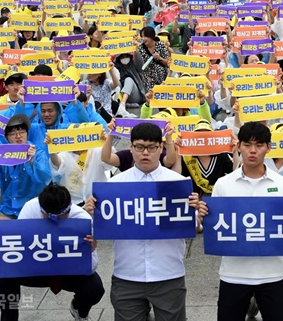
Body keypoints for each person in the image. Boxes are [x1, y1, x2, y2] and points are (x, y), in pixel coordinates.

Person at [84, 123, 204, 321]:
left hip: (168, 273)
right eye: (139, 147)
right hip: (127, 273)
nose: (145, 153)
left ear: (161, 148)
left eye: (151, 147)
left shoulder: (177, 183)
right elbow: (100, 231)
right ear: (131, 148)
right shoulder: (114, 186)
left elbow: (193, 227)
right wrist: (92, 212)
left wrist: (196, 214)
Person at [203, 121, 283, 321]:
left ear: (269, 148)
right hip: (233, 273)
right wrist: (203, 214)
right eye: (247, 144)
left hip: (272, 273)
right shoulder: (223, 185)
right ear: (238, 146)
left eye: (259, 145)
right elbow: (215, 226)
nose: (253, 151)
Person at [0, 183, 104, 321]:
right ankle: (8, 318)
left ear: (69, 209)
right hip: (36, 269)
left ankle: (79, 310)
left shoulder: (82, 219)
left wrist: (89, 251)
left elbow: (92, 267)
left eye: (61, 217)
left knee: (95, 289)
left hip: (68, 272)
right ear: (42, 210)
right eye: (50, 217)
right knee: (5, 274)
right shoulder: (30, 208)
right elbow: (18, 250)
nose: (55, 222)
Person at [0, 114, 51, 226]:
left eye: (22, 132)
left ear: (27, 134)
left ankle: (15, 226)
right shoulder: (2, 154)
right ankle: (18, 225)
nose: (18, 136)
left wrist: (32, 161)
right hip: (8, 210)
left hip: (32, 210)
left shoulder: (38, 153)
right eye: (13, 134)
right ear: (6, 138)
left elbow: (44, 179)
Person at [138, 26, 170, 92]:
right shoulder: (140, 48)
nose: (143, 39)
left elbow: (168, 62)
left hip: (161, 71)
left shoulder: (161, 45)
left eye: (145, 36)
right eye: (142, 37)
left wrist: (160, 58)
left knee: (158, 69)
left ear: (151, 36)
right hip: (148, 72)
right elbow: (142, 66)